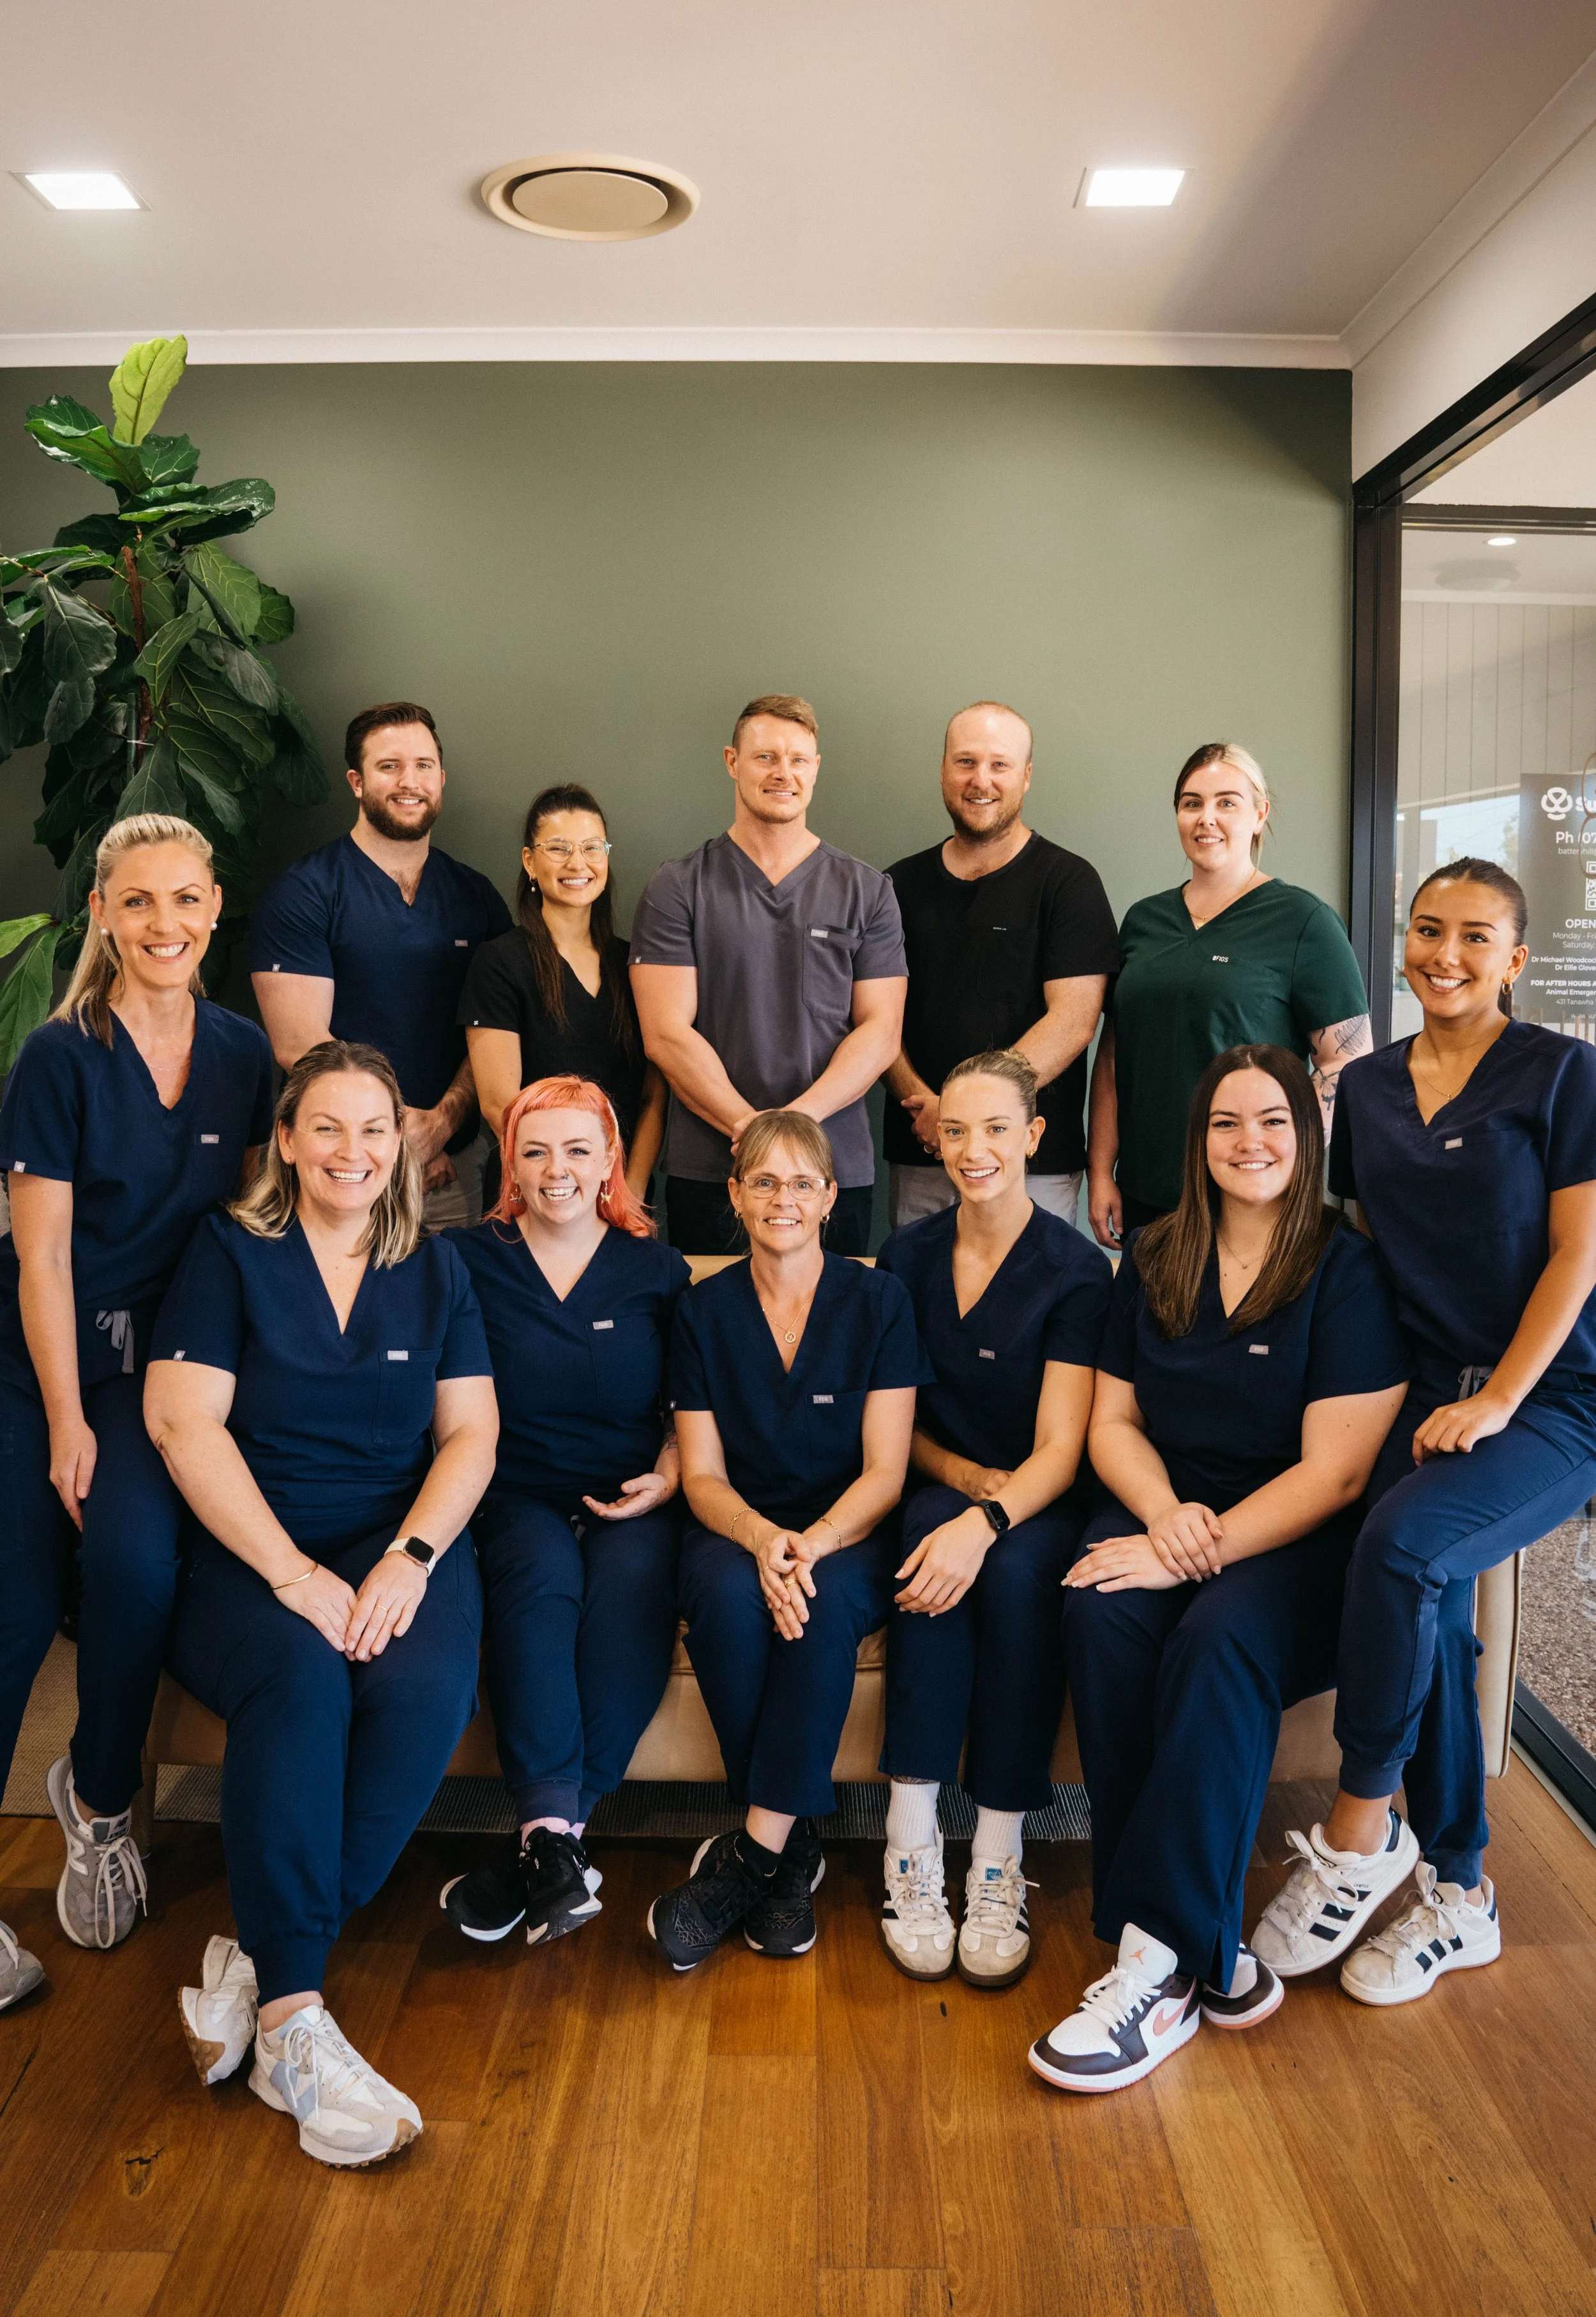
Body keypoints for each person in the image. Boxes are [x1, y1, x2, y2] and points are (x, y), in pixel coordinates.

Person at [146, 1041, 497, 2166]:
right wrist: (294, 1574)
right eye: (329, 1127)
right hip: (251, 1546)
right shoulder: (230, 1249)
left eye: (376, 1128)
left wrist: (410, 1555)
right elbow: (181, 1421)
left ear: (404, 1146)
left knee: (425, 1684)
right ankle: (296, 2020)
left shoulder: (437, 1266)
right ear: (286, 1139)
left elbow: (472, 1433)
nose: (354, 1149)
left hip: (391, 1537)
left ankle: (257, 1954)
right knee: (299, 1683)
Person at [1030, 1046, 1407, 2094]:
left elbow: (1334, 1474)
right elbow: (1113, 1420)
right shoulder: (1153, 1253)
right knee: (1100, 1611)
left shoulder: (1348, 1268)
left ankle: (1153, 1969)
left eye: (1275, 1121)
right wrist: (1158, 1520)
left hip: (1296, 1539)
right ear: (1196, 1143)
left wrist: (1192, 1548)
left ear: (1308, 1134)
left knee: (1217, 1633)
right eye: (1227, 1123)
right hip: (1168, 1498)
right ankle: (1208, 1955)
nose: (1252, 1142)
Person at [1253, 859, 1596, 2007]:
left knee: (1401, 1550)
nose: (1447, 953)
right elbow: (1353, 1238)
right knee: (1432, 1603)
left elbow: (1580, 1252)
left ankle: (1361, 1832)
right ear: (1402, 941)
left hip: (1545, 1402)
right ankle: (1462, 1889)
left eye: (1477, 936)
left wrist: (1497, 1395)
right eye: (1428, 929)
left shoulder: (1563, 1073)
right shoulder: (1373, 1085)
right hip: (1408, 1387)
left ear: (1515, 956)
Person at [0, 815, 272, 2005]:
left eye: (186, 899)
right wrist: (65, 1417)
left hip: (163, 1376)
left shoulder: (243, 1052)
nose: (165, 923)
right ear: (102, 914)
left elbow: (265, 1224)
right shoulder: (59, 1058)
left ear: (216, 908)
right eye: (139, 901)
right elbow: (41, 1260)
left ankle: (100, 1795)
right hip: (44, 1363)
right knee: (10, 1612)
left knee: (137, 1568)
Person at [646, 1111, 927, 1966]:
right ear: (734, 1195)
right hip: (737, 1527)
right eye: (764, 1180)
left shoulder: (879, 1299)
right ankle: (795, 1847)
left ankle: (753, 1858)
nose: (784, 1198)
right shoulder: (701, 1310)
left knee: (824, 1606)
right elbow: (699, 1475)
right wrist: (766, 1539)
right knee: (728, 1603)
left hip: (852, 1529)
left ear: (832, 1197)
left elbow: (886, 1470)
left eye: (803, 1181)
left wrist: (815, 1541)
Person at [875, 1050, 1111, 1988]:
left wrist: (992, 1515)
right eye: (955, 1131)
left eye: (996, 1130)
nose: (974, 1150)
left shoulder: (1075, 1270)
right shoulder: (907, 1256)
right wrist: (962, 1484)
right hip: (941, 1477)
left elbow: (1062, 1446)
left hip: (1041, 1496)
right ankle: (909, 1845)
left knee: (1014, 1576)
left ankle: (1001, 1855)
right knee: (929, 1562)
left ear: (1034, 1138)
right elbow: (896, 1427)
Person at [438, 1075, 689, 1949]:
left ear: (611, 1161)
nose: (557, 1169)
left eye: (580, 1149)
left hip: (634, 1494)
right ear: (509, 1160)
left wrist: (667, 1472)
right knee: (540, 1581)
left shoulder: (655, 1267)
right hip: (512, 1492)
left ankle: (550, 1840)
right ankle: (557, 1836)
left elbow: (693, 1409)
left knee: (631, 1589)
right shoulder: (467, 1260)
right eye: (535, 1149)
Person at [630, 695, 907, 1255]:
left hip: (831, 1169)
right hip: (713, 1168)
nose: (784, 773)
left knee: (832, 1331)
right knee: (717, 1331)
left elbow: (881, 1032)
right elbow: (665, 1033)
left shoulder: (868, 890)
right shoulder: (678, 886)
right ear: (733, 761)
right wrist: (749, 1128)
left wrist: (791, 1127)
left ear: (817, 769)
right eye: (765, 757)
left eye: (799, 760)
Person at [1087, 741, 1370, 1246]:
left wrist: (1280, 1158)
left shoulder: (1304, 922)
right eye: (1191, 802)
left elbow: (1346, 1060)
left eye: (1227, 802)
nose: (1206, 818)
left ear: (1259, 814)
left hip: (1249, 1197)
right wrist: (1101, 1171)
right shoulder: (1143, 921)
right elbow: (1112, 1055)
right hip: (1148, 1195)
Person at [250, 702, 511, 1226]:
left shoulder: (475, 896)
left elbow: (496, 1032)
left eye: (423, 765)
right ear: (356, 781)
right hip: (342, 1173)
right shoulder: (306, 892)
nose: (409, 781)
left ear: (441, 778)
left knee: (446, 1307)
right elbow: (298, 1042)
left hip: (451, 1174)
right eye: (389, 766)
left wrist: (438, 1125)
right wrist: (394, 1135)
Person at [884, 704, 1118, 1228]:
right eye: (965, 761)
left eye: (1000, 765)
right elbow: (875, 1018)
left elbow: (1074, 1020)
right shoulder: (894, 887)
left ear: (1027, 775)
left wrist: (961, 1116)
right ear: (943, 769)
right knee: (923, 1302)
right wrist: (927, 1110)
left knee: (1031, 1305)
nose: (980, 780)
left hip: (1033, 1162)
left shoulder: (1068, 883)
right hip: (920, 1153)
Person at [460, 784, 666, 1209]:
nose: (578, 862)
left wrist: (630, 1188)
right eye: (559, 848)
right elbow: (500, 1102)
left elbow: (652, 1097)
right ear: (529, 862)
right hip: (534, 1192)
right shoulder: (499, 962)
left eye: (593, 847)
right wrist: (565, 1183)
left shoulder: (634, 963)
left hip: (622, 1194)